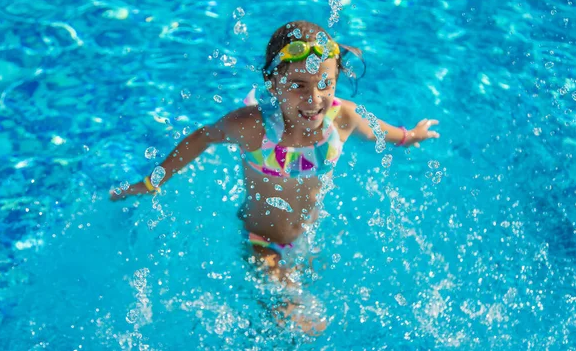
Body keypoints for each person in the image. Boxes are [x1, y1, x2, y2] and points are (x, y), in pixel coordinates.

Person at [110, 20, 439, 333]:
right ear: (273, 84)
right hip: (261, 241)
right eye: (298, 86)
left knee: (293, 317)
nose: (314, 99)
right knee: (301, 319)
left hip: (308, 237)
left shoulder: (343, 118)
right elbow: (202, 137)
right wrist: (151, 183)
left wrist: (412, 136)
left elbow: (382, 133)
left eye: (325, 84)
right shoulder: (252, 128)